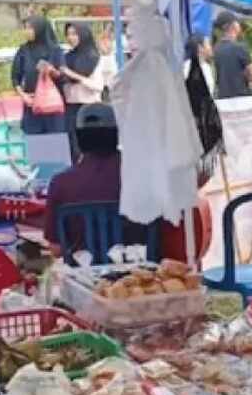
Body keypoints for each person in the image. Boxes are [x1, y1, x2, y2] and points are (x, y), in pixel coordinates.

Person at [44, 103, 208, 263]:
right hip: (141, 275)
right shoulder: (146, 175)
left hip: (83, 278)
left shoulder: (60, 183)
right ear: (118, 134)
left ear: (78, 138)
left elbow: (56, 249)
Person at [11, 15, 65, 136]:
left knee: (55, 146)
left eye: (30, 28)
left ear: (39, 29)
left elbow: (62, 75)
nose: (27, 31)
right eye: (25, 28)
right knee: (36, 147)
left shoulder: (55, 50)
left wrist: (51, 70)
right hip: (32, 105)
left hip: (53, 107)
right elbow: (15, 77)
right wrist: (23, 95)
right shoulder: (23, 50)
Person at [61, 22, 106, 162]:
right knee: (74, 148)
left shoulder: (93, 57)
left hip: (89, 108)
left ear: (83, 34)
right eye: (68, 34)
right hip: (71, 108)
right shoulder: (66, 57)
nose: (71, 37)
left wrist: (74, 75)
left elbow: (98, 86)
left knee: (91, 148)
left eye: (74, 34)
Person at [212, 12, 252, 99]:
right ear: (233, 26)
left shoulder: (216, 49)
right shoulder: (240, 48)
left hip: (223, 99)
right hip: (240, 99)